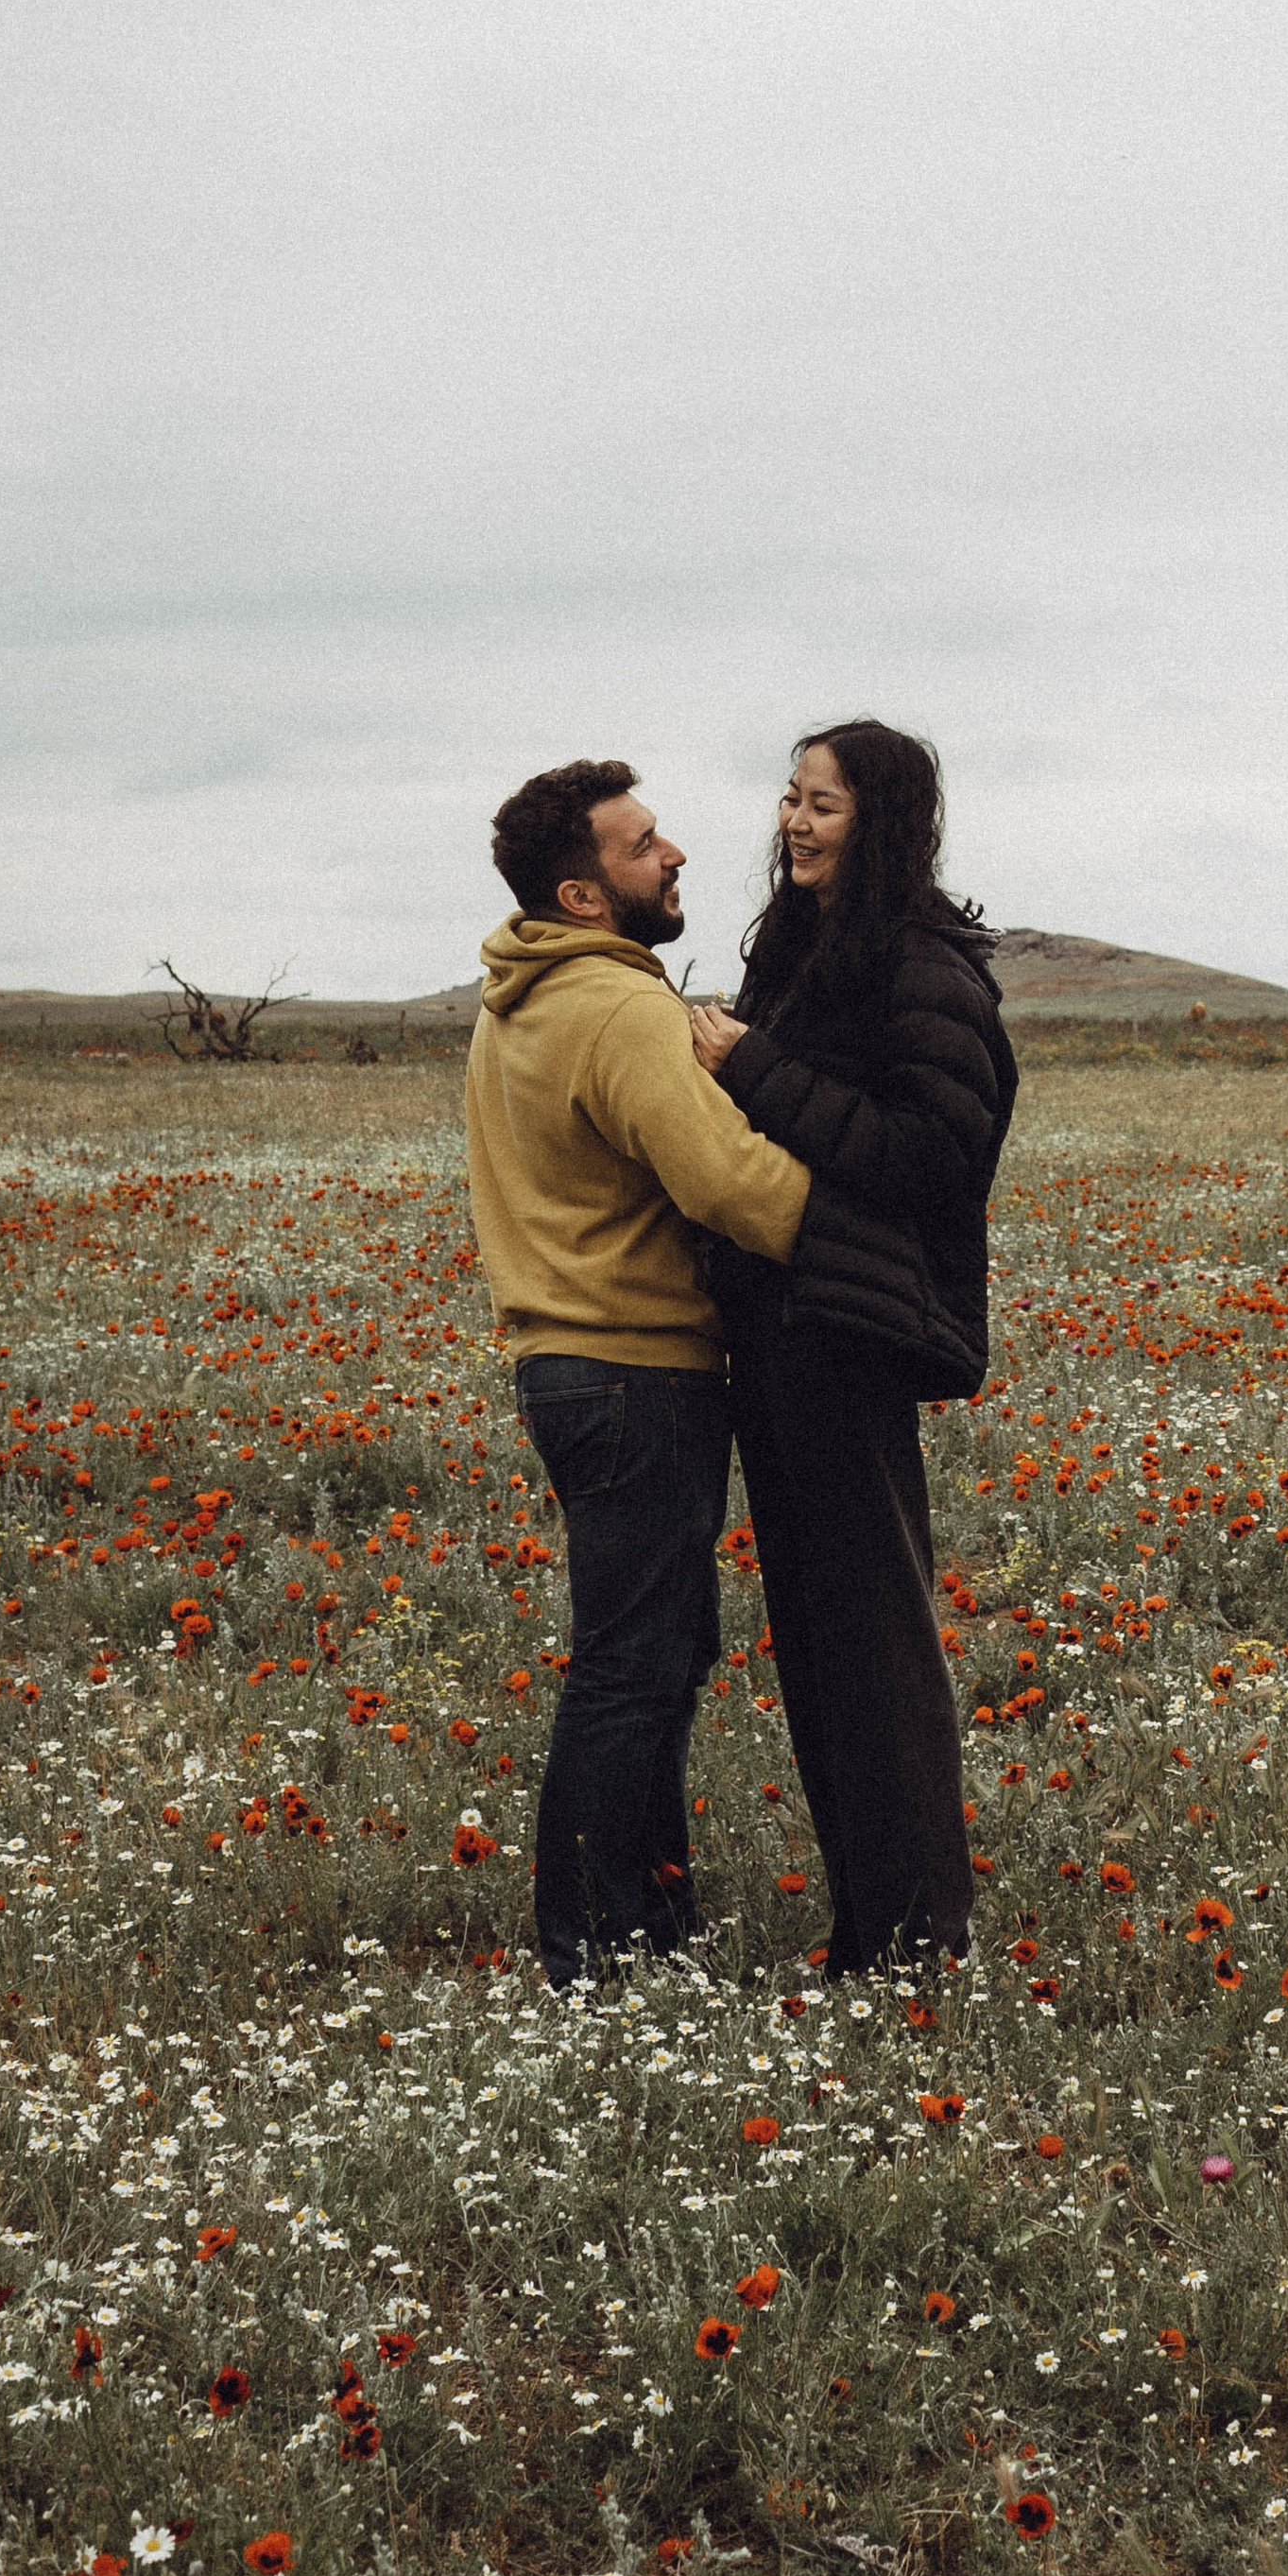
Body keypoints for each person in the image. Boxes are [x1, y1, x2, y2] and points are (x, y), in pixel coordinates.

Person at [465, 757, 813, 1990]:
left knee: (653, 1652)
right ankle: (592, 1951)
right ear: (585, 892)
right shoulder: (616, 1010)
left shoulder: (523, 997)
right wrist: (862, 1214)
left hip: (576, 1366)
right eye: (643, 845)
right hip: (634, 1367)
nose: (674, 856)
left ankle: (648, 1921)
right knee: (633, 1663)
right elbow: (727, 1181)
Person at [689, 719, 1016, 1978]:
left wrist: (755, 1068)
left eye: (822, 803)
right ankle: (871, 1932)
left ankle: (919, 1939)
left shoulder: (920, 962)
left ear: (879, 818)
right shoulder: (806, 946)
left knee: (872, 1638)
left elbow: (936, 1158)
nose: (795, 821)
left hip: (852, 1330)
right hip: (784, 1325)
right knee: (823, 1646)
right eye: (789, 797)